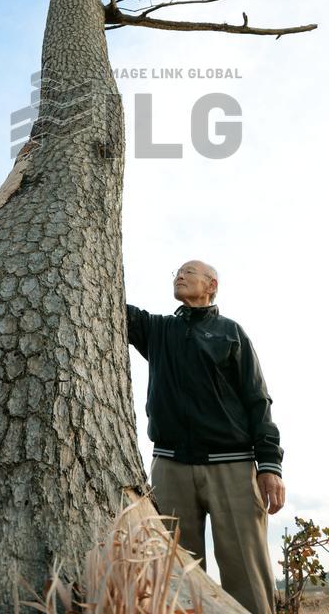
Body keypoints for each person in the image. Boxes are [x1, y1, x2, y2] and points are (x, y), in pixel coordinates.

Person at [127, 260, 285, 614]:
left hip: (232, 466)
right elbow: (114, 308)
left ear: (211, 284)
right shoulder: (158, 330)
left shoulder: (231, 332)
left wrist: (270, 464)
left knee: (247, 572)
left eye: (189, 271)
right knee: (176, 575)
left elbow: (258, 399)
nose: (179, 275)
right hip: (170, 467)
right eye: (176, 273)